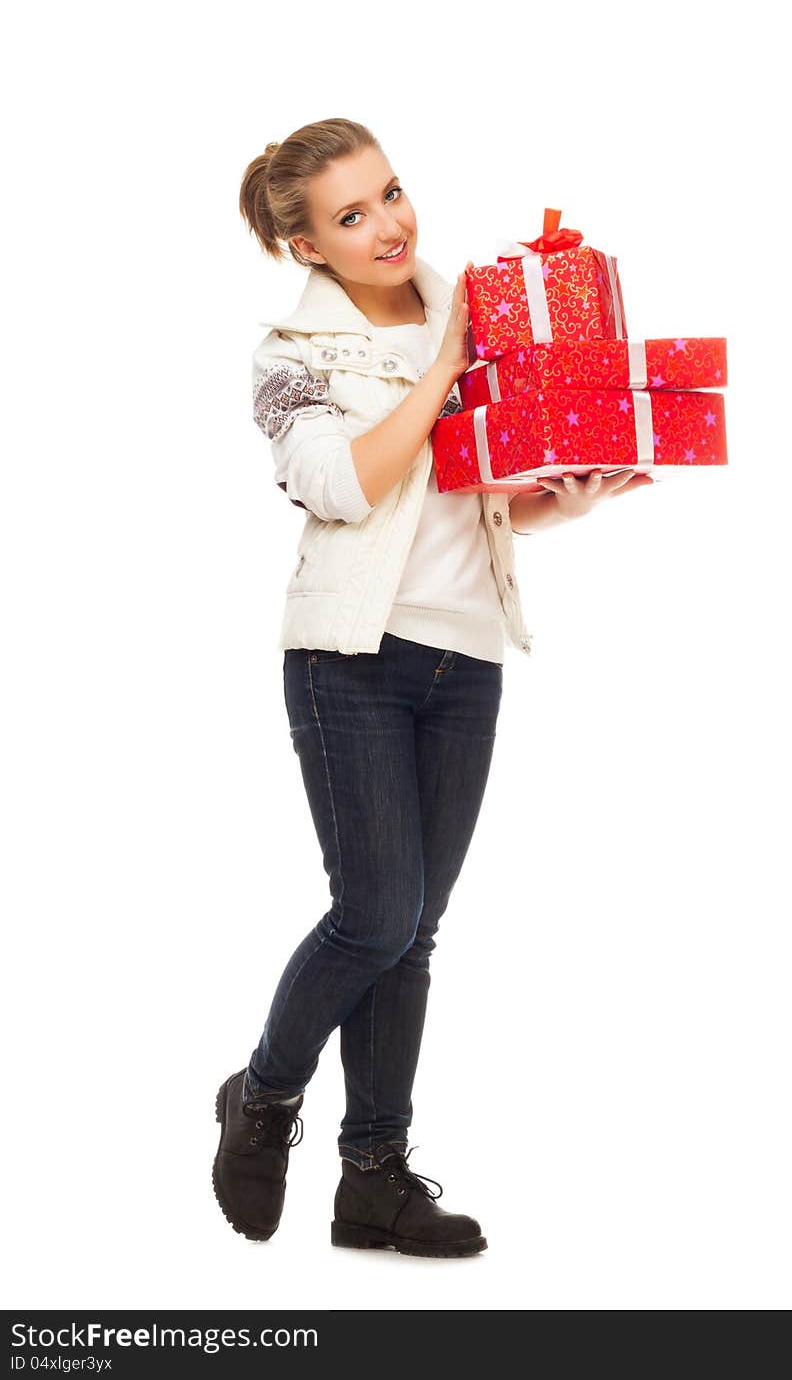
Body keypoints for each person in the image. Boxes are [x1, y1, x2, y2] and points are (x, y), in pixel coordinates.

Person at [213, 117, 652, 1258]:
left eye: (391, 192)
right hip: (349, 658)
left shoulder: (480, 308)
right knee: (374, 916)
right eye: (351, 216)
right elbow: (347, 484)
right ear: (308, 247)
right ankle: (262, 1096)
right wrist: (447, 365)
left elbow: (479, 490)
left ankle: (375, 1179)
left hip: (466, 655)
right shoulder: (292, 355)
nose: (388, 224)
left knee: (412, 936)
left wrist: (577, 494)